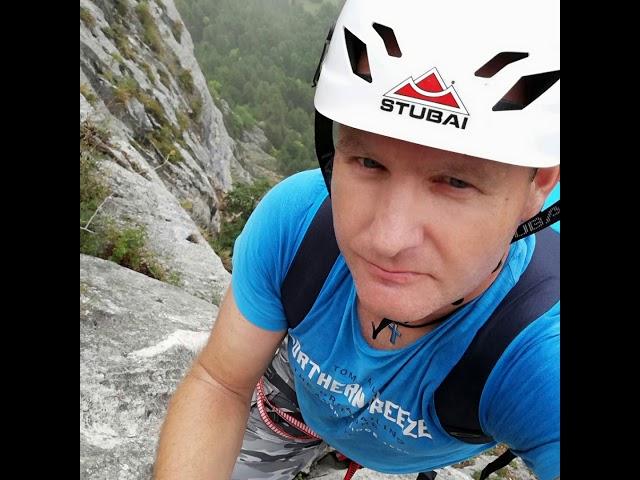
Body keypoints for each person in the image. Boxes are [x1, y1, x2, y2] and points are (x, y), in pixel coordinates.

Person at [154, 0, 560, 479]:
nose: (387, 239)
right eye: (368, 163)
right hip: (298, 398)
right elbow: (221, 382)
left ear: (540, 186)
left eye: (455, 183)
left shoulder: (540, 348)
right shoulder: (299, 224)